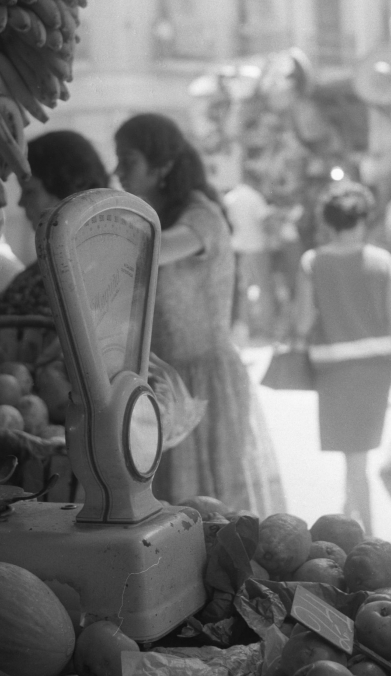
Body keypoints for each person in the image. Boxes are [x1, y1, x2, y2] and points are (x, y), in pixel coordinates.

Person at [115, 113, 285, 516]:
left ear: (163, 165)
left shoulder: (200, 216)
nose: (119, 173)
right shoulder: (157, 219)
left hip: (204, 386)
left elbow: (151, 250)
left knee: (207, 515)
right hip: (164, 385)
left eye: (129, 161)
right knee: (170, 513)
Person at [294, 182, 391, 532]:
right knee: (358, 454)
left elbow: (303, 322)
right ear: (365, 220)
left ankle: (369, 537)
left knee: (353, 456)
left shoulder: (312, 262)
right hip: (377, 370)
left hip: (334, 370)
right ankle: (349, 517)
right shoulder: (383, 261)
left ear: (329, 222)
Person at [0, 130, 111, 319]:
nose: (20, 202)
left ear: (66, 190)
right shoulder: (59, 256)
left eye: (30, 191)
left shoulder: (80, 270)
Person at [224, 179, 273, 341]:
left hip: (237, 248)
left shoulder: (229, 198)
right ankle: (265, 328)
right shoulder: (255, 197)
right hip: (256, 247)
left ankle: (243, 328)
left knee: (241, 291)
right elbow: (264, 220)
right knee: (263, 289)